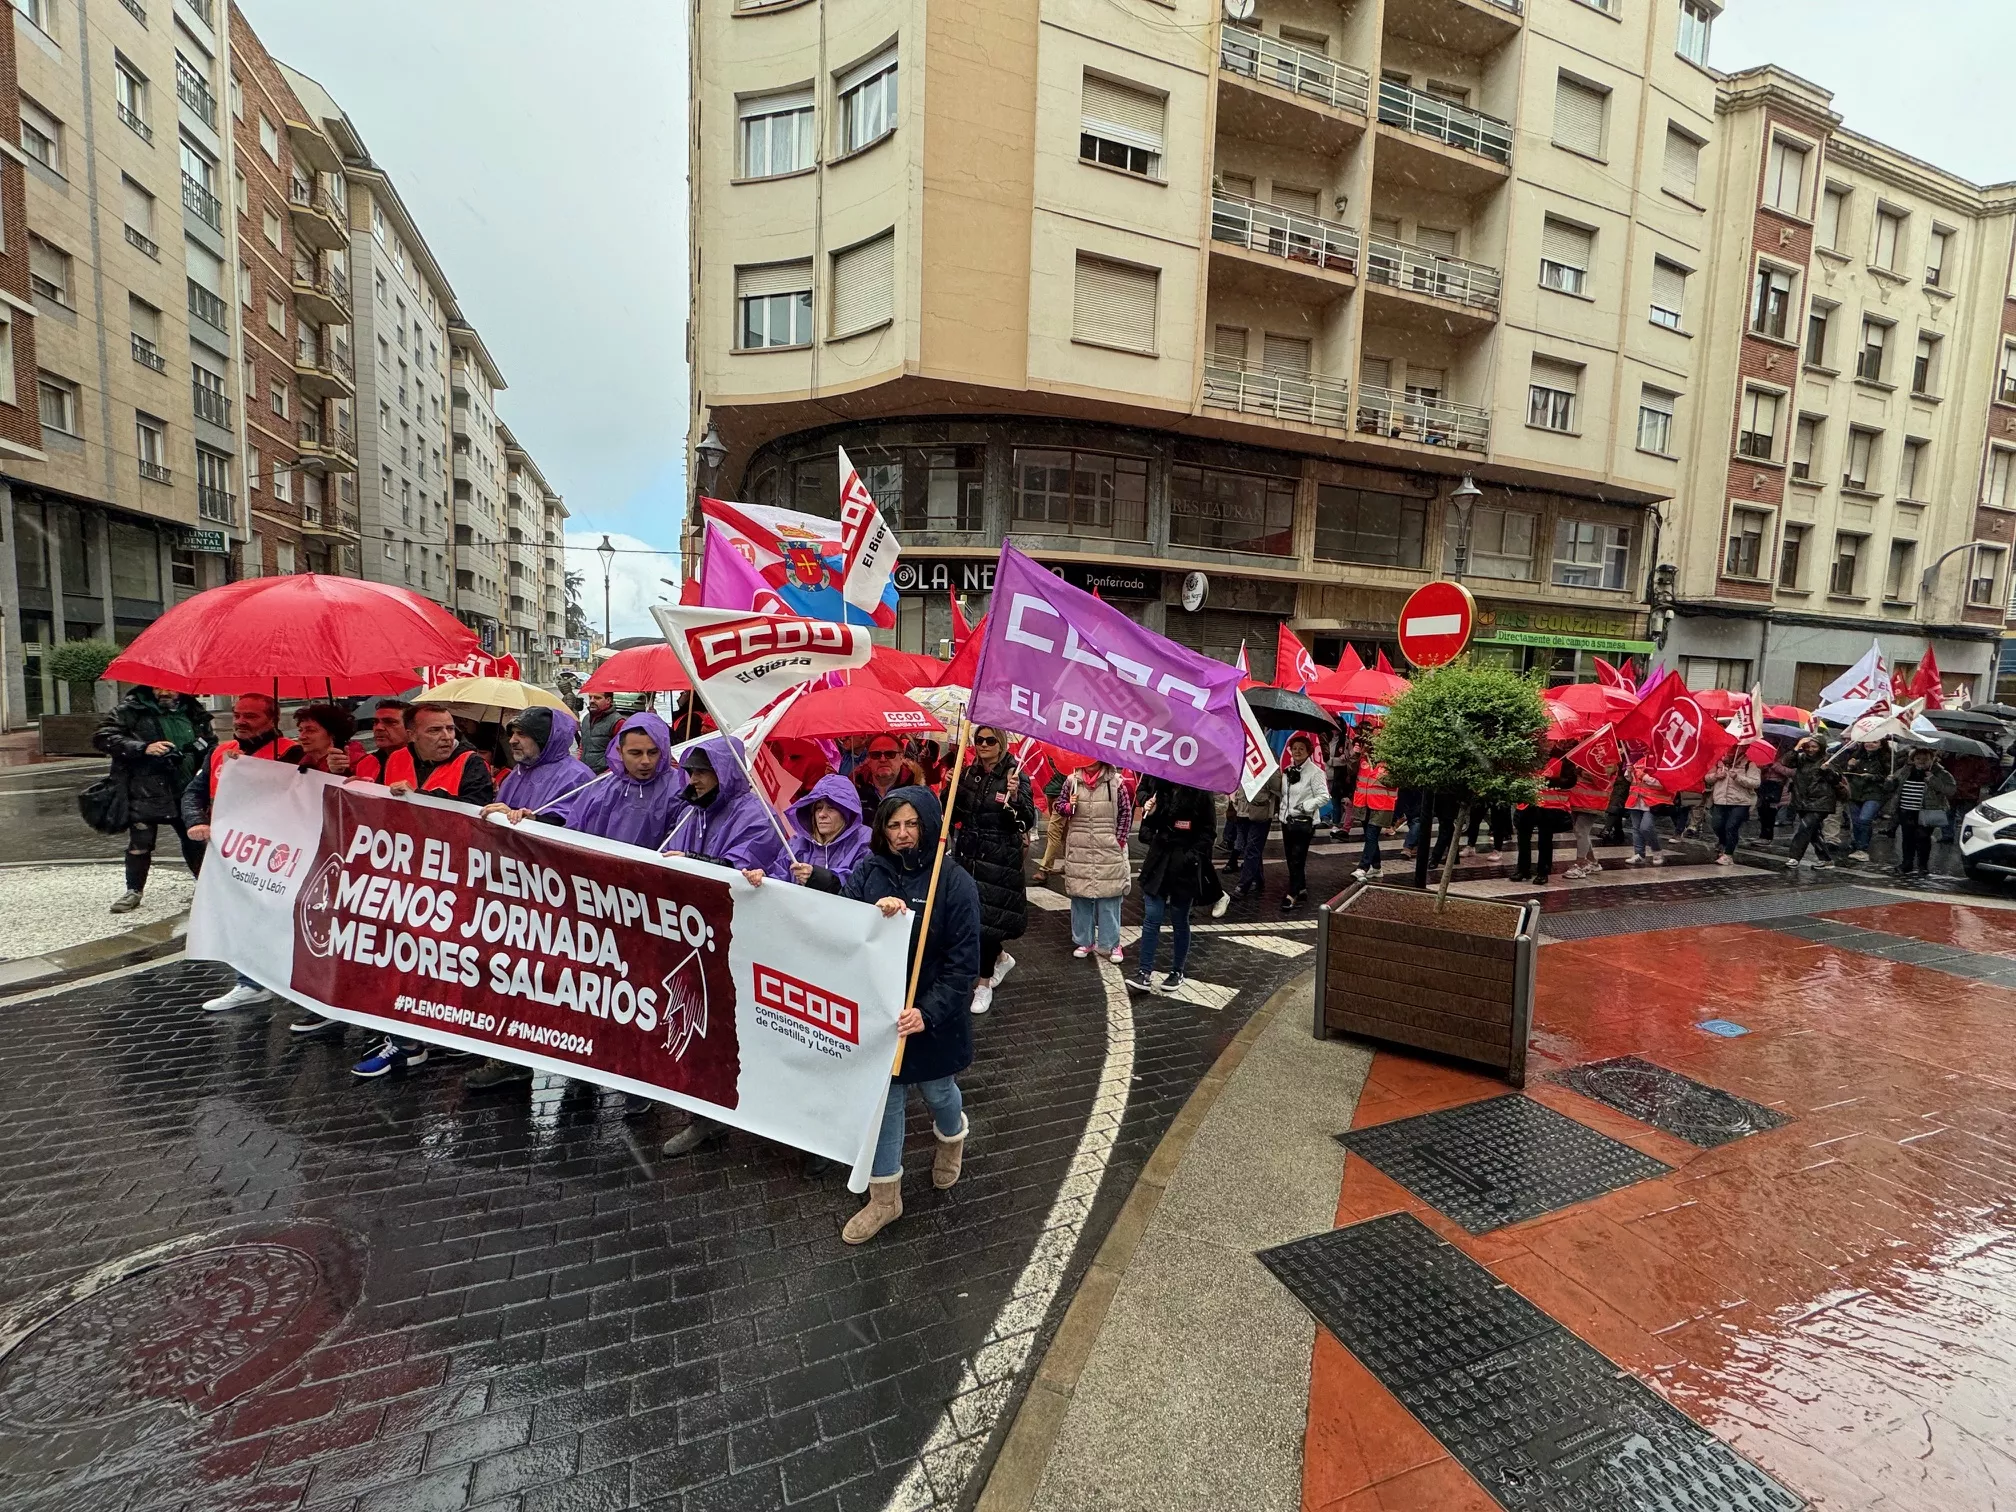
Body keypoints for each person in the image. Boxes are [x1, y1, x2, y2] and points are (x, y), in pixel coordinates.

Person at [807, 788, 979, 1244]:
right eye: (893, 825)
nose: (903, 834)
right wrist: (872, 914)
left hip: (931, 1018)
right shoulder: (869, 871)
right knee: (886, 1103)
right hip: (883, 1015)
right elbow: (841, 922)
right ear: (881, 829)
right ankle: (885, 1197)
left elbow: (964, 963)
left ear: (928, 825)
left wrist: (930, 1011)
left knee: (939, 1091)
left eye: (912, 824)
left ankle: (951, 1136)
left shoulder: (954, 882)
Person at [351, 704, 495, 1080]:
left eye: (449, 729)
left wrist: (423, 797)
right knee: (401, 957)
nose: (447, 737)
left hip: (455, 882)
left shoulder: (470, 764)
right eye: (434, 731)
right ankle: (407, 1041)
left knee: (446, 958)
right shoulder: (395, 759)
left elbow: (478, 812)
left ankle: (441, 1030)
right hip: (405, 877)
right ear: (412, 734)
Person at [182, 694, 303, 1014]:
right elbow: (193, 792)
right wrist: (196, 821)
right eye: (237, 714)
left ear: (272, 720)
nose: (240, 721)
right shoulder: (220, 752)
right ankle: (249, 983)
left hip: (277, 853)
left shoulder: (292, 753)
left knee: (278, 919)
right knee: (241, 917)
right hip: (229, 854)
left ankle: (285, 979)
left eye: (250, 716)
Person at [94, 684, 213, 915]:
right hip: (144, 789)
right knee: (141, 843)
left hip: (186, 786)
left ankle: (207, 885)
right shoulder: (131, 709)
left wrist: (209, 756)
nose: (165, 692)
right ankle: (134, 891)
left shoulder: (193, 710)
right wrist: (143, 747)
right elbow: (103, 737)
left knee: (194, 838)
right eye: (159, 688)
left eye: (171, 687)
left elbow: (210, 741)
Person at [950, 727, 1034, 1016]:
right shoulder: (969, 773)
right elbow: (955, 813)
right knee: (974, 917)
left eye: (989, 740)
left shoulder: (1014, 774)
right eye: (978, 740)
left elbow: (1026, 821)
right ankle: (1000, 957)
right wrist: (950, 787)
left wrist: (1015, 798)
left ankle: (983, 983)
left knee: (984, 922)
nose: (983, 745)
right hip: (969, 854)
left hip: (998, 856)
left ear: (1000, 744)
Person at [1126, 777, 1219, 994]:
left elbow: (1208, 831)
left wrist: (1192, 856)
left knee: (1179, 918)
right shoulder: (1161, 786)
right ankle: (1144, 971)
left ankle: (1177, 971)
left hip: (1184, 863)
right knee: (1152, 916)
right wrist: (1152, 809)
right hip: (1159, 859)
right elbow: (1149, 827)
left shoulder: (1201, 790)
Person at [544, 712, 682, 847]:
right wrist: (536, 822)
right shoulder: (600, 788)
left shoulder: (681, 790)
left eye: (653, 752)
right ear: (620, 752)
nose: (645, 761)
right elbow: (571, 834)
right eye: (636, 753)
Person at [663, 735, 786, 875]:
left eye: (701, 772)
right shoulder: (689, 814)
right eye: (691, 772)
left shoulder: (760, 816)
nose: (692, 781)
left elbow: (742, 869)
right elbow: (666, 855)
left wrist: (691, 860)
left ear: (723, 772)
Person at [1059, 759, 1132, 961]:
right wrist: (1068, 807)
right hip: (1080, 848)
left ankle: (1112, 943)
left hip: (1108, 848)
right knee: (1080, 896)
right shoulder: (1071, 780)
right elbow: (1059, 806)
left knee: (1110, 897)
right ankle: (1084, 941)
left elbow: (1126, 813)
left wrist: (1119, 840)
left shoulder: (1117, 782)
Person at [492, 707, 593, 816]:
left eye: (521, 734)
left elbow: (572, 823)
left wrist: (530, 819)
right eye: (512, 734)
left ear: (544, 739)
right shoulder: (520, 771)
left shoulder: (577, 777)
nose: (512, 741)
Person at [783, 775, 871, 888]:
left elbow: (861, 884)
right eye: (818, 808)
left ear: (847, 813)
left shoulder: (864, 841)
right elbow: (777, 878)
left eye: (831, 808)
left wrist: (817, 877)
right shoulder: (796, 843)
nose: (822, 814)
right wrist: (762, 879)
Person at [1885, 745, 1957, 879]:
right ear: (1913, 759)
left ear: (1932, 759)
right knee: (1908, 838)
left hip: (1928, 811)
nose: (1921, 761)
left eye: (1925, 759)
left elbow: (1950, 790)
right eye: (1918, 758)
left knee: (1923, 837)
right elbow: (1891, 788)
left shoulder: (1941, 773)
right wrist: (1889, 781)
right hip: (1906, 810)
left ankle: (1923, 866)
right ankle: (1907, 863)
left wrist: (1932, 780)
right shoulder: (1905, 771)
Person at [1783, 737, 1847, 871]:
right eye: (1807, 747)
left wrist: (1827, 770)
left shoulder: (1829, 759)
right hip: (1801, 799)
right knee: (1813, 832)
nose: (1810, 750)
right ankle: (1826, 859)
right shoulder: (1801, 759)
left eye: (1814, 747)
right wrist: (1797, 746)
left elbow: (1836, 779)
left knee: (1805, 827)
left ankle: (1794, 857)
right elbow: (1787, 762)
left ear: (1821, 747)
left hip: (1821, 800)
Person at [1278, 734, 1326, 910]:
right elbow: (1284, 795)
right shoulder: (1288, 770)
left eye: (1301, 749)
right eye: (1295, 748)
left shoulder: (1315, 773)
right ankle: (1302, 887)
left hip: (1304, 822)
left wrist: (1306, 805)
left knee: (1297, 858)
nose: (1297, 752)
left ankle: (1292, 893)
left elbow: (1324, 796)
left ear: (1308, 752)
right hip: (1286, 820)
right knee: (1291, 858)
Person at [1514, 754, 1574, 885]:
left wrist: (1547, 780)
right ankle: (1523, 869)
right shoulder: (1526, 755)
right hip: (1527, 804)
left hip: (1549, 806)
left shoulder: (1562, 759)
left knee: (1545, 840)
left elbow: (1570, 781)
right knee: (1523, 838)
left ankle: (1543, 871)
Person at [1229, 762, 1282, 901]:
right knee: (1251, 848)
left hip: (1260, 813)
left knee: (1252, 849)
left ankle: (1243, 885)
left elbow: (1278, 787)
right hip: (1242, 811)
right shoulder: (1242, 759)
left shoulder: (1267, 761)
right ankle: (1258, 879)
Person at [1350, 730, 1397, 881]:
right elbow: (1350, 771)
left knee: (1371, 835)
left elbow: (1394, 782)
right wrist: (1356, 753)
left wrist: (1380, 776)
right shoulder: (1364, 758)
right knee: (1370, 837)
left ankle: (1363, 867)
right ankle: (1376, 868)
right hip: (1364, 803)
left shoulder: (1391, 761)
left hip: (1381, 805)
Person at [1559, 752, 1612, 881]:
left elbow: (1604, 778)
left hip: (1593, 801)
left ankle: (1580, 864)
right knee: (1580, 832)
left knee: (1581, 831)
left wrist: (1581, 771)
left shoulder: (1610, 757)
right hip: (1577, 799)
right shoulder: (1586, 753)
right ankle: (1592, 862)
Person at [1705, 748, 1762, 866]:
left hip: (1740, 802)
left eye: (1733, 750)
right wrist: (1716, 776)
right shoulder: (1718, 762)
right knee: (1717, 825)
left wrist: (1738, 777)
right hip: (1720, 800)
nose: (1729, 753)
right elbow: (1707, 778)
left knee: (1731, 827)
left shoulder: (1749, 764)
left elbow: (1756, 783)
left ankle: (1728, 854)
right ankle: (1724, 842)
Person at [294, 703, 376, 781]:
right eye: (300, 730)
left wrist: (342, 773)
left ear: (333, 734)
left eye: (310, 730)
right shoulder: (301, 763)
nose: (301, 737)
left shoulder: (362, 762)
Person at [1840, 741, 1889, 862]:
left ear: (1881, 744)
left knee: (1865, 819)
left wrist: (1872, 777)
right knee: (1856, 821)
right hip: (1855, 793)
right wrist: (1849, 766)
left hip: (1874, 794)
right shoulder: (1857, 756)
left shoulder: (1886, 758)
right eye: (1867, 742)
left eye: (1874, 742)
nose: (1870, 744)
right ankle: (1858, 845)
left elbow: (1889, 777)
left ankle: (1863, 848)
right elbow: (1846, 774)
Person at [853, 734, 926, 813]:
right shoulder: (855, 791)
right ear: (869, 759)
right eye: (876, 755)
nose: (883, 759)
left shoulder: (918, 793)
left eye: (890, 754)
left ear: (901, 757)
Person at [1623, 758, 1670, 867]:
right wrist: (1629, 771)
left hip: (1652, 801)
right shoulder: (1639, 761)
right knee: (1636, 828)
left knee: (1646, 827)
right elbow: (1631, 779)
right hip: (1635, 800)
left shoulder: (1662, 762)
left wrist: (1645, 777)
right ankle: (1639, 854)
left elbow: (1665, 783)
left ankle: (1657, 851)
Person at [1032, 768, 1069, 881]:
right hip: (1050, 792)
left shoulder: (1067, 755)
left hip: (1062, 796)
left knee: (1053, 830)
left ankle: (1044, 869)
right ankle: (1068, 864)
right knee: (1065, 833)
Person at [578, 690, 625, 774]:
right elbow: (583, 745)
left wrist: (607, 773)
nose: (592, 700)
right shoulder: (586, 718)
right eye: (590, 697)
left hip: (603, 775)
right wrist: (578, 764)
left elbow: (620, 753)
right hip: (584, 772)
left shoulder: (618, 722)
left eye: (597, 698)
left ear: (608, 700)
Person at [1326, 732, 1358, 844]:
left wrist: (1349, 756)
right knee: (1341, 803)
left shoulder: (1347, 742)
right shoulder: (1326, 740)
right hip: (1328, 774)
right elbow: (1325, 758)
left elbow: (1351, 764)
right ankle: (1342, 827)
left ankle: (1343, 827)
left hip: (1343, 777)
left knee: (1347, 804)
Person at [368, 699, 413, 767]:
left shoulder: (427, 763)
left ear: (411, 728)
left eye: (389, 722)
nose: (378, 727)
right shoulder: (366, 764)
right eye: (375, 722)